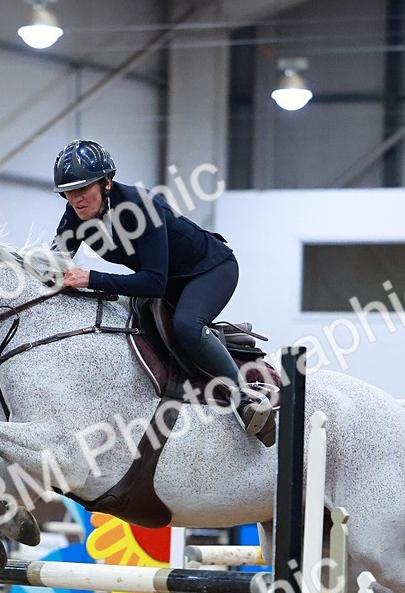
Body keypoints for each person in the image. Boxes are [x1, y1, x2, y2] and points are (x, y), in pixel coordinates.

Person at [52, 139, 275, 446]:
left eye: (82, 189)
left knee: (186, 325)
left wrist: (91, 277)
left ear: (106, 182)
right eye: (68, 192)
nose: (75, 200)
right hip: (166, 279)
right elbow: (53, 263)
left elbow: (154, 283)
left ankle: (244, 400)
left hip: (210, 270)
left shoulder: (143, 207)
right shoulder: (74, 215)